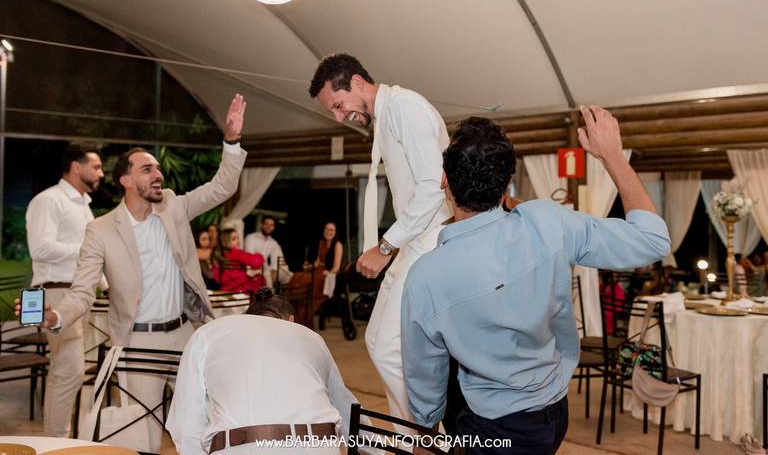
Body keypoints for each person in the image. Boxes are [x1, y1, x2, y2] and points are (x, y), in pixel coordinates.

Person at [401, 108, 670, 454]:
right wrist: (613, 156)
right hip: (553, 413)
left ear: (444, 182)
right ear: (505, 185)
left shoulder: (426, 275)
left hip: (491, 428)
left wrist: (424, 435)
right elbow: (652, 240)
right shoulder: (547, 222)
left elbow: (425, 372)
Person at [18, 94, 248, 453]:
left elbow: (223, 187)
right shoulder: (101, 230)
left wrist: (231, 140)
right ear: (125, 179)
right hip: (137, 343)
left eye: (158, 168)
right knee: (143, 436)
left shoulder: (173, 206)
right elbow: (82, 292)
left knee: (203, 426)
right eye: (147, 169)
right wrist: (57, 316)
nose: (158, 174)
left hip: (183, 336)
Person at [309, 54, 451, 425]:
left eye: (338, 105)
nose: (339, 117)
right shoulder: (386, 116)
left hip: (431, 241)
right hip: (412, 241)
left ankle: (425, 437)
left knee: (388, 347)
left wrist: (386, 247)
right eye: (333, 111)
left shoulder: (404, 107)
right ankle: (415, 434)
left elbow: (432, 186)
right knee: (376, 341)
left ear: (357, 82)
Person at [166, 288, 364, 454]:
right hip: (319, 446)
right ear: (291, 320)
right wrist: (376, 448)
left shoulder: (208, 333)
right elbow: (346, 408)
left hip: (243, 446)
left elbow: (186, 422)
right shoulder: (311, 337)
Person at [24, 144, 105, 437]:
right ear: (75, 166)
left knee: (67, 372)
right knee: (68, 371)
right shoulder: (49, 200)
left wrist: (107, 286)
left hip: (78, 295)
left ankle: (60, 441)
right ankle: (57, 444)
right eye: (96, 167)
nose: (101, 173)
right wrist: (86, 249)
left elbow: (91, 258)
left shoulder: (83, 204)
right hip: (55, 295)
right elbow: (40, 248)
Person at [212, 228, 266, 293]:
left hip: (225, 289)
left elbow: (217, 277)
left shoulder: (218, 255)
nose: (238, 241)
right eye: (234, 239)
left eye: (238, 238)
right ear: (225, 241)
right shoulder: (236, 253)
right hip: (242, 288)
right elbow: (256, 261)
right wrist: (259, 255)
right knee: (261, 279)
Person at [244, 215, 286, 286]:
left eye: (271, 225)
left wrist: (273, 274)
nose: (268, 227)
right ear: (262, 225)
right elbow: (249, 257)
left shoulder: (273, 243)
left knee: (270, 284)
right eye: (266, 224)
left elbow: (274, 262)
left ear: (273, 228)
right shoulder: (251, 237)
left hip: (265, 271)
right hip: (250, 269)